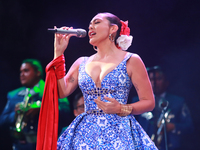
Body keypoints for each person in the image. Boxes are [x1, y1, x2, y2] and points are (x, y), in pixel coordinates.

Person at [37, 12, 158, 149]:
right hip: (85, 134)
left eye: (97, 22)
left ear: (113, 29)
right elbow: (61, 92)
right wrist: (58, 53)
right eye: (89, 25)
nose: (90, 28)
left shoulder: (131, 60)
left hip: (119, 132)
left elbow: (149, 102)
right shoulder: (81, 62)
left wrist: (121, 108)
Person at [0, 59, 71, 150]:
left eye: (26, 71)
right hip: (21, 146)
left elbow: (67, 112)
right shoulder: (13, 95)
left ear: (38, 72)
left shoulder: (53, 89)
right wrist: (15, 115)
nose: (22, 74)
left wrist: (43, 108)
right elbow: (2, 120)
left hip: (47, 145)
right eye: (21, 71)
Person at [132, 66, 194, 150]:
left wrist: (173, 127)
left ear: (166, 82)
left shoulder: (178, 101)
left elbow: (189, 127)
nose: (154, 83)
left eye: (158, 79)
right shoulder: (137, 101)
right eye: (151, 79)